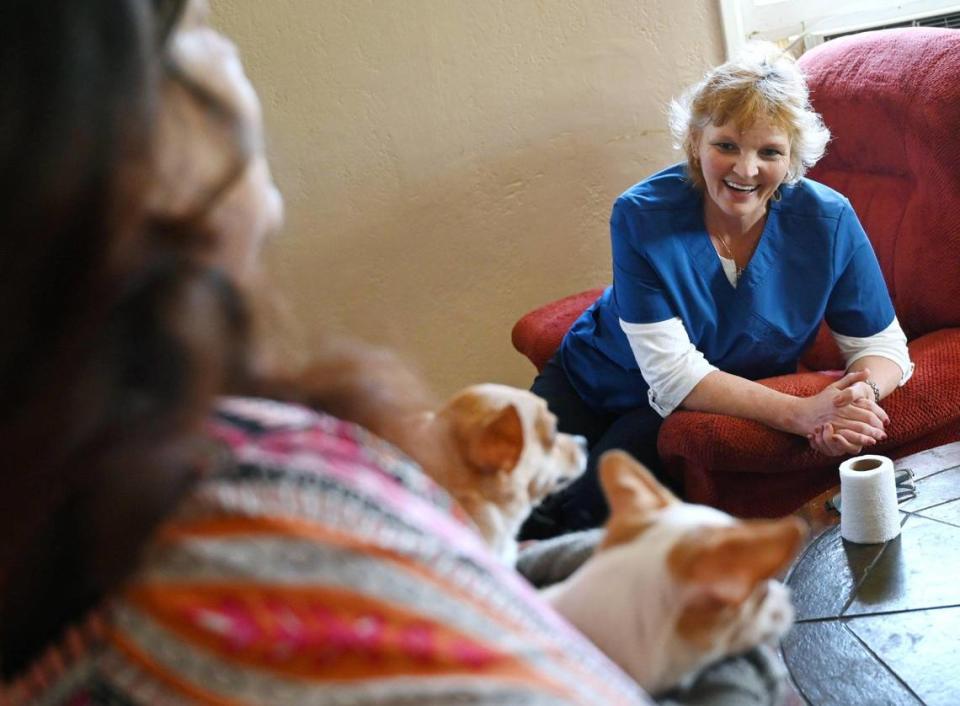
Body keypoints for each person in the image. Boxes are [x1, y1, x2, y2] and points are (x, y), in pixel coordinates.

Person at [0, 1, 654, 703]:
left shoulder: (130, 471)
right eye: (194, 27)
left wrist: (603, 569)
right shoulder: (252, 537)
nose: (228, 53)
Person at [521, 43, 913, 539]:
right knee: (512, 500)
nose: (745, 170)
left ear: (792, 158)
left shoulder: (829, 221)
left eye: (769, 151)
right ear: (694, 143)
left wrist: (858, 394)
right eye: (726, 145)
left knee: (590, 518)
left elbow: (881, 345)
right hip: (595, 374)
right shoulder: (641, 214)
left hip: (692, 402)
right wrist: (802, 413)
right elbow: (671, 371)